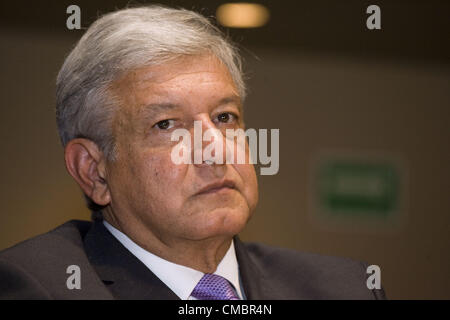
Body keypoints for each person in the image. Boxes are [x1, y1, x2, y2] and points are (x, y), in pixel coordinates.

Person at [0, 5, 385, 300]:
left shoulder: (348, 288)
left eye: (225, 116)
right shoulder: (36, 286)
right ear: (94, 171)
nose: (215, 149)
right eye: (166, 125)